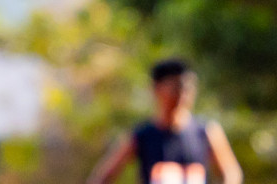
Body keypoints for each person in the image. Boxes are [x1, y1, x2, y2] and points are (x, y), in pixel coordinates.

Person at [87, 59, 244, 184]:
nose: (183, 95)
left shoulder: (206, 131)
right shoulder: (141, 135)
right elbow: (104, 175)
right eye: (176, 87)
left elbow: (232, 173)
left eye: (188, 88)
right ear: (156, 89)